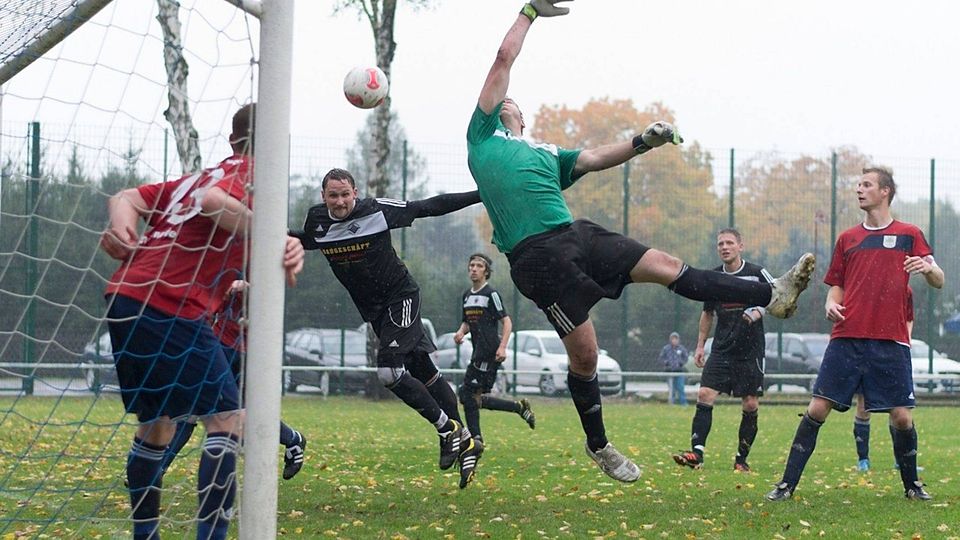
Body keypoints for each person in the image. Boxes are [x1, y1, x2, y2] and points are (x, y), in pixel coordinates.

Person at [466, 0, 815, 483]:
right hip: (536, 258)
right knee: (585, 355)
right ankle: (600, 445)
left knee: (668, 264)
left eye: (512, 103)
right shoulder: (481, 137)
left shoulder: (546, 153)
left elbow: (592, 158)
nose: (505, 101)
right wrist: (529, 11)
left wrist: (641, 142)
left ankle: (771, 294)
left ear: (522, 116)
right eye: (500, 101)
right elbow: (503, 59)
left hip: (576, 233)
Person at [99, 103, 305, 539]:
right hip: (169, 302)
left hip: (125, 297)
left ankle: (146, 535)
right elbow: (216, 204)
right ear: (276, 145)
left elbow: (126, 198)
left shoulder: (195, 178)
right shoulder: (250, 173)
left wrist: (122, 228)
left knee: (159, 425)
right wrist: (274, 234)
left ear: (232, 140)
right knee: (227, 418)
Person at [294, 168, 484, 489]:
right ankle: (466, 439)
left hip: (401, 297)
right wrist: (249, 229)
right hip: (375, 312)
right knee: (423, 369)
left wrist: (482, 194)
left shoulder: (376, 210)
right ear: (323, 196)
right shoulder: (317, 222)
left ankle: (446, 430)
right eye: (332, 195)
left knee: (389, 373)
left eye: (345, 194)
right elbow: (305, 240)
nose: (340, 202)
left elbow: (428, 207)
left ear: (355, 192)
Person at [766, 167, 944, 502]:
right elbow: (836, 288)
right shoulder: (848, 239)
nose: (859, 190)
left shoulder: (909, 234)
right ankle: (786, 484)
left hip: (890, 341)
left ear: (885, 191)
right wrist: (830, 305)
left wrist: (929, 268)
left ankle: (912, 486)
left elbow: (939, 279)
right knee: (817, 408)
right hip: (847, 338)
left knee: (902, 416)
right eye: (857, 185)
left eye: (866, 185)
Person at [159, 280, 308, 481]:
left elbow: (267, 292)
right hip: (220, 347)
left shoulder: (258, 263)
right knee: (200, 408)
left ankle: (158, 468)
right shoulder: (217, 265)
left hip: (246, 353)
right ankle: (293, 439)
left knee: (217, 410)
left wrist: (244, 287)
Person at [672, 228, 772, 471]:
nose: (724, 247)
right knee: (704, 394)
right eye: (720, 244)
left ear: (740, 246)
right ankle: (697, 454)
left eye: (729, 243)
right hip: (722, 349)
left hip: (750, 351)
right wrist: (699, 346)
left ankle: (741, 460)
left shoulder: (757, 273)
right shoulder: (712, 278)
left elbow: (778, 295)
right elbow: (707, 314)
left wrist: (760, 310)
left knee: (750, 404)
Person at [453, 253, 536, 447]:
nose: (474, 269)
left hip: (489, 351)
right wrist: (460, 332)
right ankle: (518, 408)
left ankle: (476, 439)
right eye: (471, 265)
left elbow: (506, 321)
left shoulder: (491, 294)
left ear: (486, 271)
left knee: (466, 394)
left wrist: (503, 347)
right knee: (475, 398)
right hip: (478, 350)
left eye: (479, 266)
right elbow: (467, 321)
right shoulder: (467, 295)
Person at [853, 286, 918, 473]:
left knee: (898, 407)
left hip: (894, 353)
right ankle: (863, 459)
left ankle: (901, 459)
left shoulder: (905, 289)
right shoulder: (866, 284)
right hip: (868, 350)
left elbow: (909, 318)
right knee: (863, 404)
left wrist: (906, 339)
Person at [659, 332, 689, 405]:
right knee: (672, 389)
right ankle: (672, 403)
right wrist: (666, 363)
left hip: (679, 372)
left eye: (676, 339)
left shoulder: (681, 348)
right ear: (670, 340)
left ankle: (683, 404)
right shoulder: (666, 349)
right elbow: (661, 358)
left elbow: (686, 357)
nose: (674, 340)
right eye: (673, 339)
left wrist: (681, 363)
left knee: (680, 388)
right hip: (669, 372)